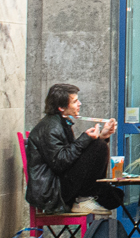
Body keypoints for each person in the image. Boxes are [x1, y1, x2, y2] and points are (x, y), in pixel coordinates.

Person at [23, 84, 121, 216]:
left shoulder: (60, 123)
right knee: (99, 146)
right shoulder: (51, 127)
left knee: (116, 195)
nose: (79, 104)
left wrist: (102, 136)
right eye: (75, 101)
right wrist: (85, 139)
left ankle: (86, 198)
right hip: (52, 191)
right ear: (61, 107)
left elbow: (74, 156)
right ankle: (83, 199)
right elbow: (60, 162)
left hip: (59, 184)